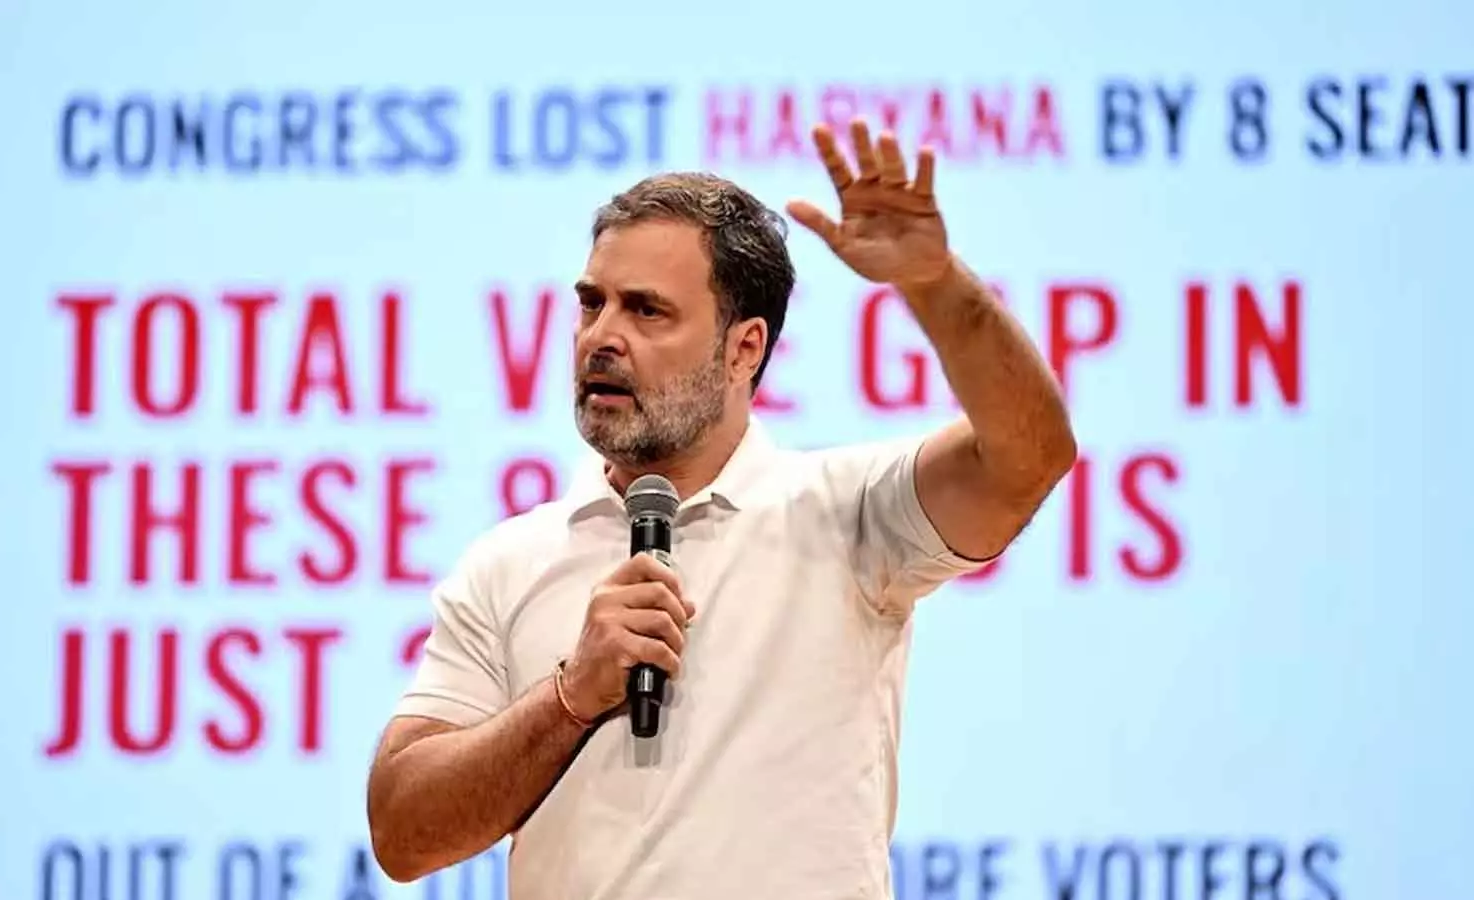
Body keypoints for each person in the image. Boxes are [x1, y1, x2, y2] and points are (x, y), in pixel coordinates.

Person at [366, 118, 1076, 899]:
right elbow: (402, 833)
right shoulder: (509, 562)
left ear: (744, 350)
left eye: (646, 311)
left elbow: (1030, 456)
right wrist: (570, 696)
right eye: (592, 304)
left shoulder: (845, 516)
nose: (602, 338)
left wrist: (933, 283)